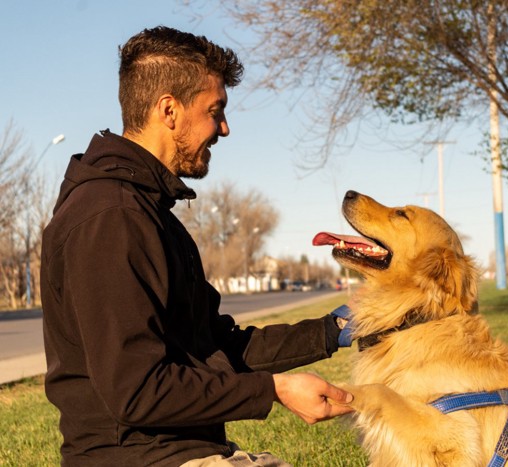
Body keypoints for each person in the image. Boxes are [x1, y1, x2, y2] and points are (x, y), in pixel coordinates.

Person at [40, 26, 353, 467]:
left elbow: (214, 346)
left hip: (185, 452)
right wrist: (275, 390)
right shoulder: (110, 219)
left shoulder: (149, 214)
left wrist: (332, 330)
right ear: (169, 109)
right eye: (215, 110)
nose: (224, 129)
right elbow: (138, 390)